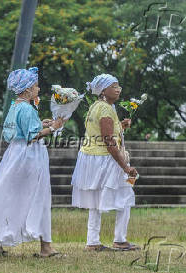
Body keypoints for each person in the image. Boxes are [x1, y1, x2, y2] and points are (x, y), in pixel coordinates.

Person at [0, 67, 65, 257]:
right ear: (27, 89)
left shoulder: (15, 106)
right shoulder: (27, 108)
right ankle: (45, 246)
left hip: (14, 154)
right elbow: (32, 136)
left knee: (7, 194)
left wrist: (42, 124)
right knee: (38, 196)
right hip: (30, 156)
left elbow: (17, 130)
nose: (38, 90)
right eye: (36, 86)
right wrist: (53, 127)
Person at [70, 74, 140, 251]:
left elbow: (101, 132)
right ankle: (120, 239)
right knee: (125, 196)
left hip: (92, 158)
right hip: (105, 159)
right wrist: (125, 166)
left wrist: (121, 126)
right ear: (103, 90)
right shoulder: (107, 109)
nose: (118, 89)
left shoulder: (97, 106)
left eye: (119, 86)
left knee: (95, 201)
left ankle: (92, 241)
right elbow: (108, 141)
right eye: (114, 86)